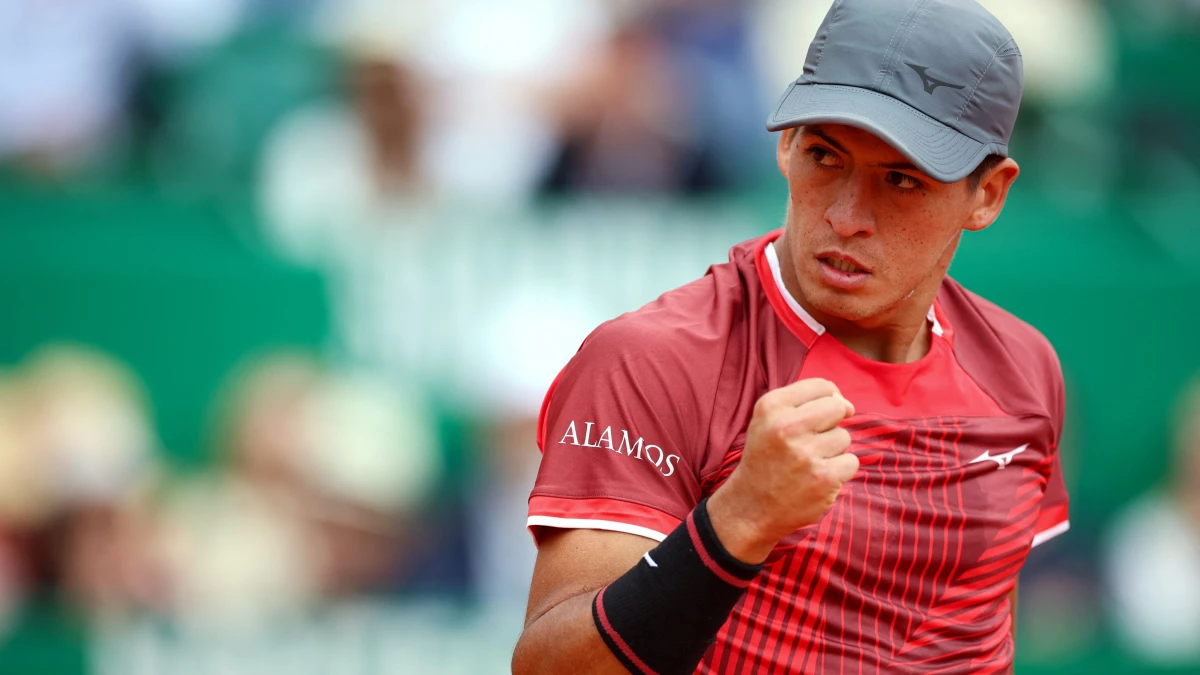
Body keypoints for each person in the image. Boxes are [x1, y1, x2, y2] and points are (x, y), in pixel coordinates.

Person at [512, 0, 1070, 673]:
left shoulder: (1024, 369)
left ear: (988, 194)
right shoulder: (648, 360)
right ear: (784, 142)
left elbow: (979, 633)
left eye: (901, 180)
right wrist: (737, 522)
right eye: (824, 155)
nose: (845, 215)